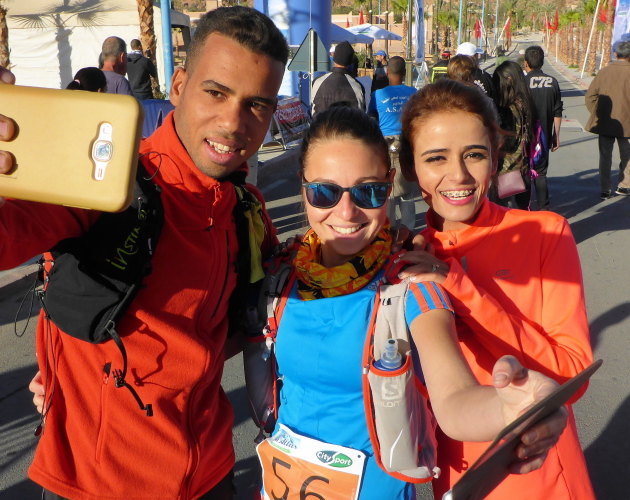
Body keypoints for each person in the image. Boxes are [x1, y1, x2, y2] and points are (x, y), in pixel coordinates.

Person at [0, 6, 288, 500]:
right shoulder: (108, 183)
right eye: (216, 92)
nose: (233, 122)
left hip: (211, 475)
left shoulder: (246, 208)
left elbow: (247, 325)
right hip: (98, 486)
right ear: (179, 86)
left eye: (257, 104)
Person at [254, 106, 567, 499]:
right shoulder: (282, 275)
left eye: (368, 191)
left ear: (390, 186)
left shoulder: (410, 284)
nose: (346, 212)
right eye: (324, 192)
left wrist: (512, 408)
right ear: (303, 188)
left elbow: (454, 400)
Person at [396, 80, 596, 499]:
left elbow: (572, 378)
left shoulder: (544, 233)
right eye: (436, 158)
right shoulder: (405, 257)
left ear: (495, 156)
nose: (459, 175)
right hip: (452, 473)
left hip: (541, 477)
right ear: (411, 169)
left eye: (474, 154)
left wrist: (459, 287)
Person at [585, 41, 630, 198]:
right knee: (629, 154)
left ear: (615, 54)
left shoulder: (604, 72)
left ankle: (605, 188)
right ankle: (624, 186)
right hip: (628, 123)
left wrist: (598, 113)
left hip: (605, 122)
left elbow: (590, 96)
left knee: (605, 156)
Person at [368, 56, 419, 229]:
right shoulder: (414, 93)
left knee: (388, 188)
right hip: (406, 143)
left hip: (385, 144)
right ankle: (408, 231)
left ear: (387, 71)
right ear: (405, 73)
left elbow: (371, 116)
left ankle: (388, 230)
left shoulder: (377, 95)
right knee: (407, 191)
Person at [490, 60, 537, 209]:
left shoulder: (510, 109)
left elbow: (508, 140)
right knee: (521, 210)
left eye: (498, 82)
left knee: (498, 211)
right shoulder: (525, 102)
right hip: (522, 166)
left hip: (507, 169)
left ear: (509, 80)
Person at [524, 45, 563, 210]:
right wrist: (556, 135)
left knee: (524, 171)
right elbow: (557, 112)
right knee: (541, 173)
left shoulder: (523, 82)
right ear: (542, 62)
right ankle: (543, 208)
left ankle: (524, 207)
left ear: (526, 63)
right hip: (544, 136)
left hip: (524, 135)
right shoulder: (552, 82)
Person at [310, 40, 366, 116]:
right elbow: (360, 114)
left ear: (334, 58)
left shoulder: (318, 81)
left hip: (321, 123)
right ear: (350, 62)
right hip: (345, 123)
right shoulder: (357, 86)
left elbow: (313, 107)